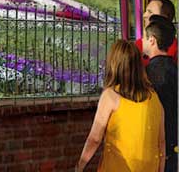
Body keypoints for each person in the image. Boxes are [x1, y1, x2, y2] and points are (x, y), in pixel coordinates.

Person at [76, 39, 165, 172]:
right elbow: (161, 143)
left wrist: (80, 165)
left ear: (114, 65)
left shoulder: (111, 96)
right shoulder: (154, 98)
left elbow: (95, 139)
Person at [144, 17, 178, 172]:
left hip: (157, 143)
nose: (142, 42)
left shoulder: (150, 73)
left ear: (152, 40)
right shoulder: (174, 68)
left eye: (145, 38)